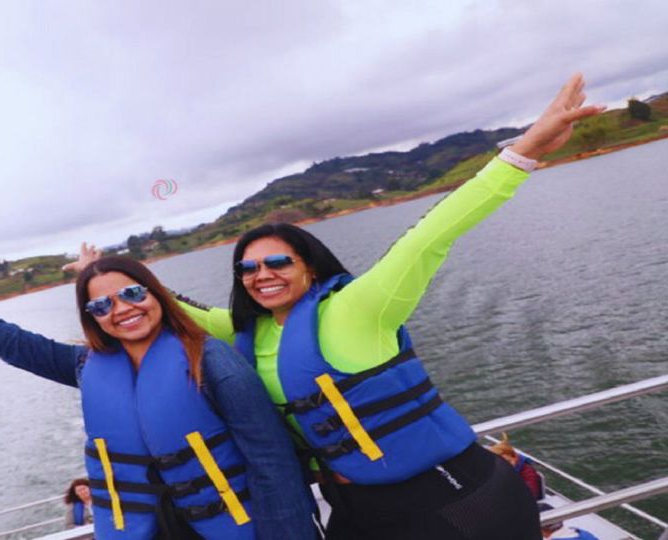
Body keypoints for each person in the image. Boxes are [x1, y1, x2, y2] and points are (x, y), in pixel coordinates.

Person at [68, 73, 605, 540]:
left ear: (309, 266)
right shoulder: (242, 333)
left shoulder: (359, 307)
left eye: (278, 262)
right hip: (360, 510)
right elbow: (154, 305)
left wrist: (523, 151)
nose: (263, 275)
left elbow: (432, 235)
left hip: (454, 499)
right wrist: (99, 273)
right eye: (249, 269)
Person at [0, 255, 318, 540]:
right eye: (101, 306)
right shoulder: (86, 367)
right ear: (91, 318)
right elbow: (1, 338)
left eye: (131, 294)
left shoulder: (212, 362)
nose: (121, 309)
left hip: (227, 527)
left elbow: (272, 461)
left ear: (154, 293)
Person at [488, 433, 544, 500]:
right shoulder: (498, 470)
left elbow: (530, 494)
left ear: (514, 457)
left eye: (508, 461)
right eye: (501, 463)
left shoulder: (527, 471)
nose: (506, 465)